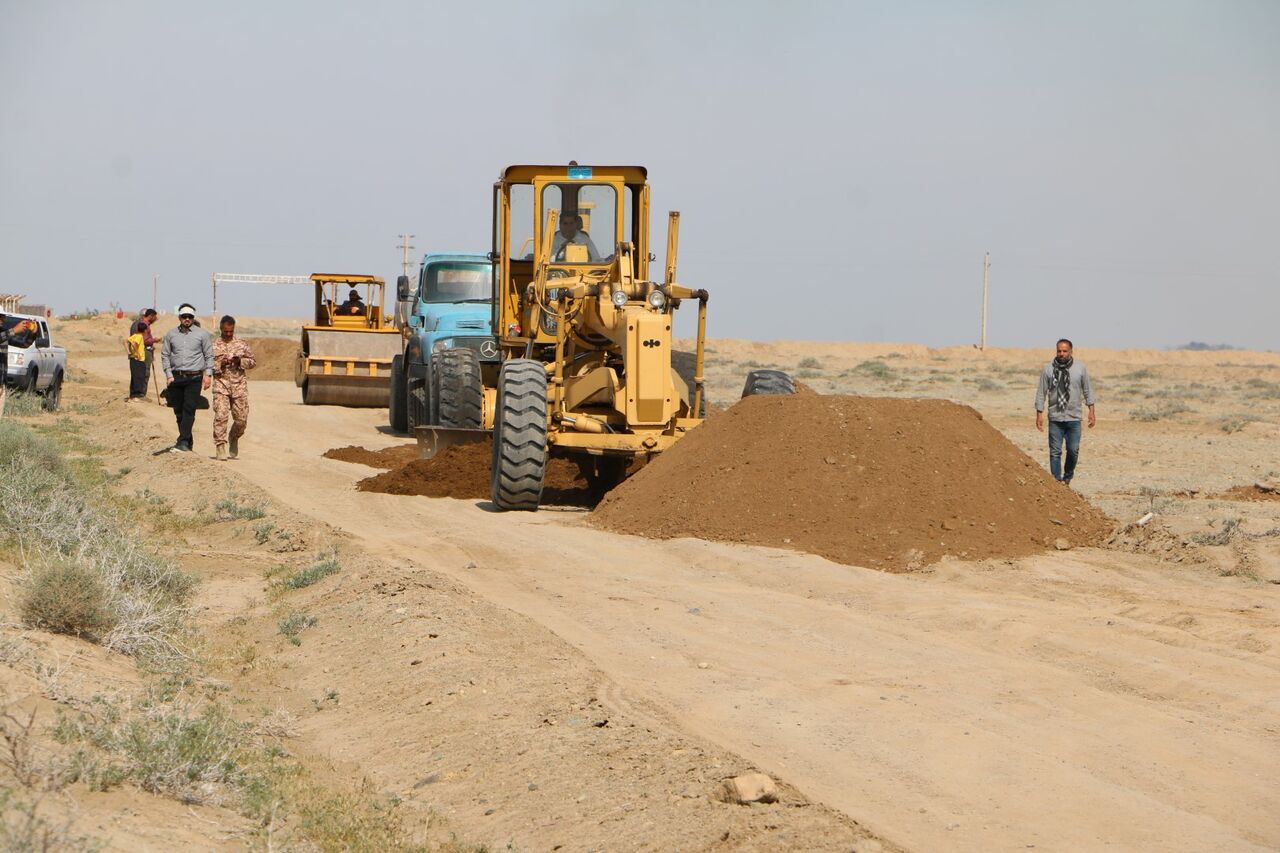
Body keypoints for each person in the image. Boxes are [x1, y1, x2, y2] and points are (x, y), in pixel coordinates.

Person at [1035, 338, 1096, 486]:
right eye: (1059, 351)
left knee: (1073, 450)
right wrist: (1039, 414)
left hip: (1074, 417)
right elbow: (1041, 392)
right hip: (1055, 416)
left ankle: (1068, 477)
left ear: (1070, 351)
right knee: (1055, 452)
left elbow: (1087, 390)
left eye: (1064, 351)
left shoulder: (1080, 369)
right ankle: (1057, 481)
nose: (1061, 354)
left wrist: (1091, 411)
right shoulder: (1048, 369)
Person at [160, 303, 213, 453]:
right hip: (176, 378)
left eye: (190, 317)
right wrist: (169, 375)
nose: (187, 319)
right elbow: (165, 355)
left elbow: (209, 356)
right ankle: (187, 441)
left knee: (189, 409)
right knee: (179, 411)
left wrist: (207, 375)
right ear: (179, 317)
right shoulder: (171, 334)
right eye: (184, 316)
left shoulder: (202, 334)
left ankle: (182, 442)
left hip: (194, 377)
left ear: (193, 318)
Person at [211, 315, 255, 461]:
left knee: (241, 420)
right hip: (221, 385)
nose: (228, 334)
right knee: (221, 416)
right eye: (225, 331)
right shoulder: (213, 345)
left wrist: (240, 361)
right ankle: (220, 446)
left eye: (231, 331)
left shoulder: (241, 344)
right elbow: (207, 366)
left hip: (239, 386)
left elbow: (253, 362)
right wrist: (220, 365)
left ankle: (234, 436)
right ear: (221, 329)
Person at [126, 308, 158, 401]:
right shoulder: (141, 325)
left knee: (136, 374)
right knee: (143, 373)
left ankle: (134, 394)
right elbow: (141, 340)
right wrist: (153, 341)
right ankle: (140, 395)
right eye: (154, 317)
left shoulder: (136, 324)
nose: (155, 319)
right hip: (141, 353)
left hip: (138, 353)